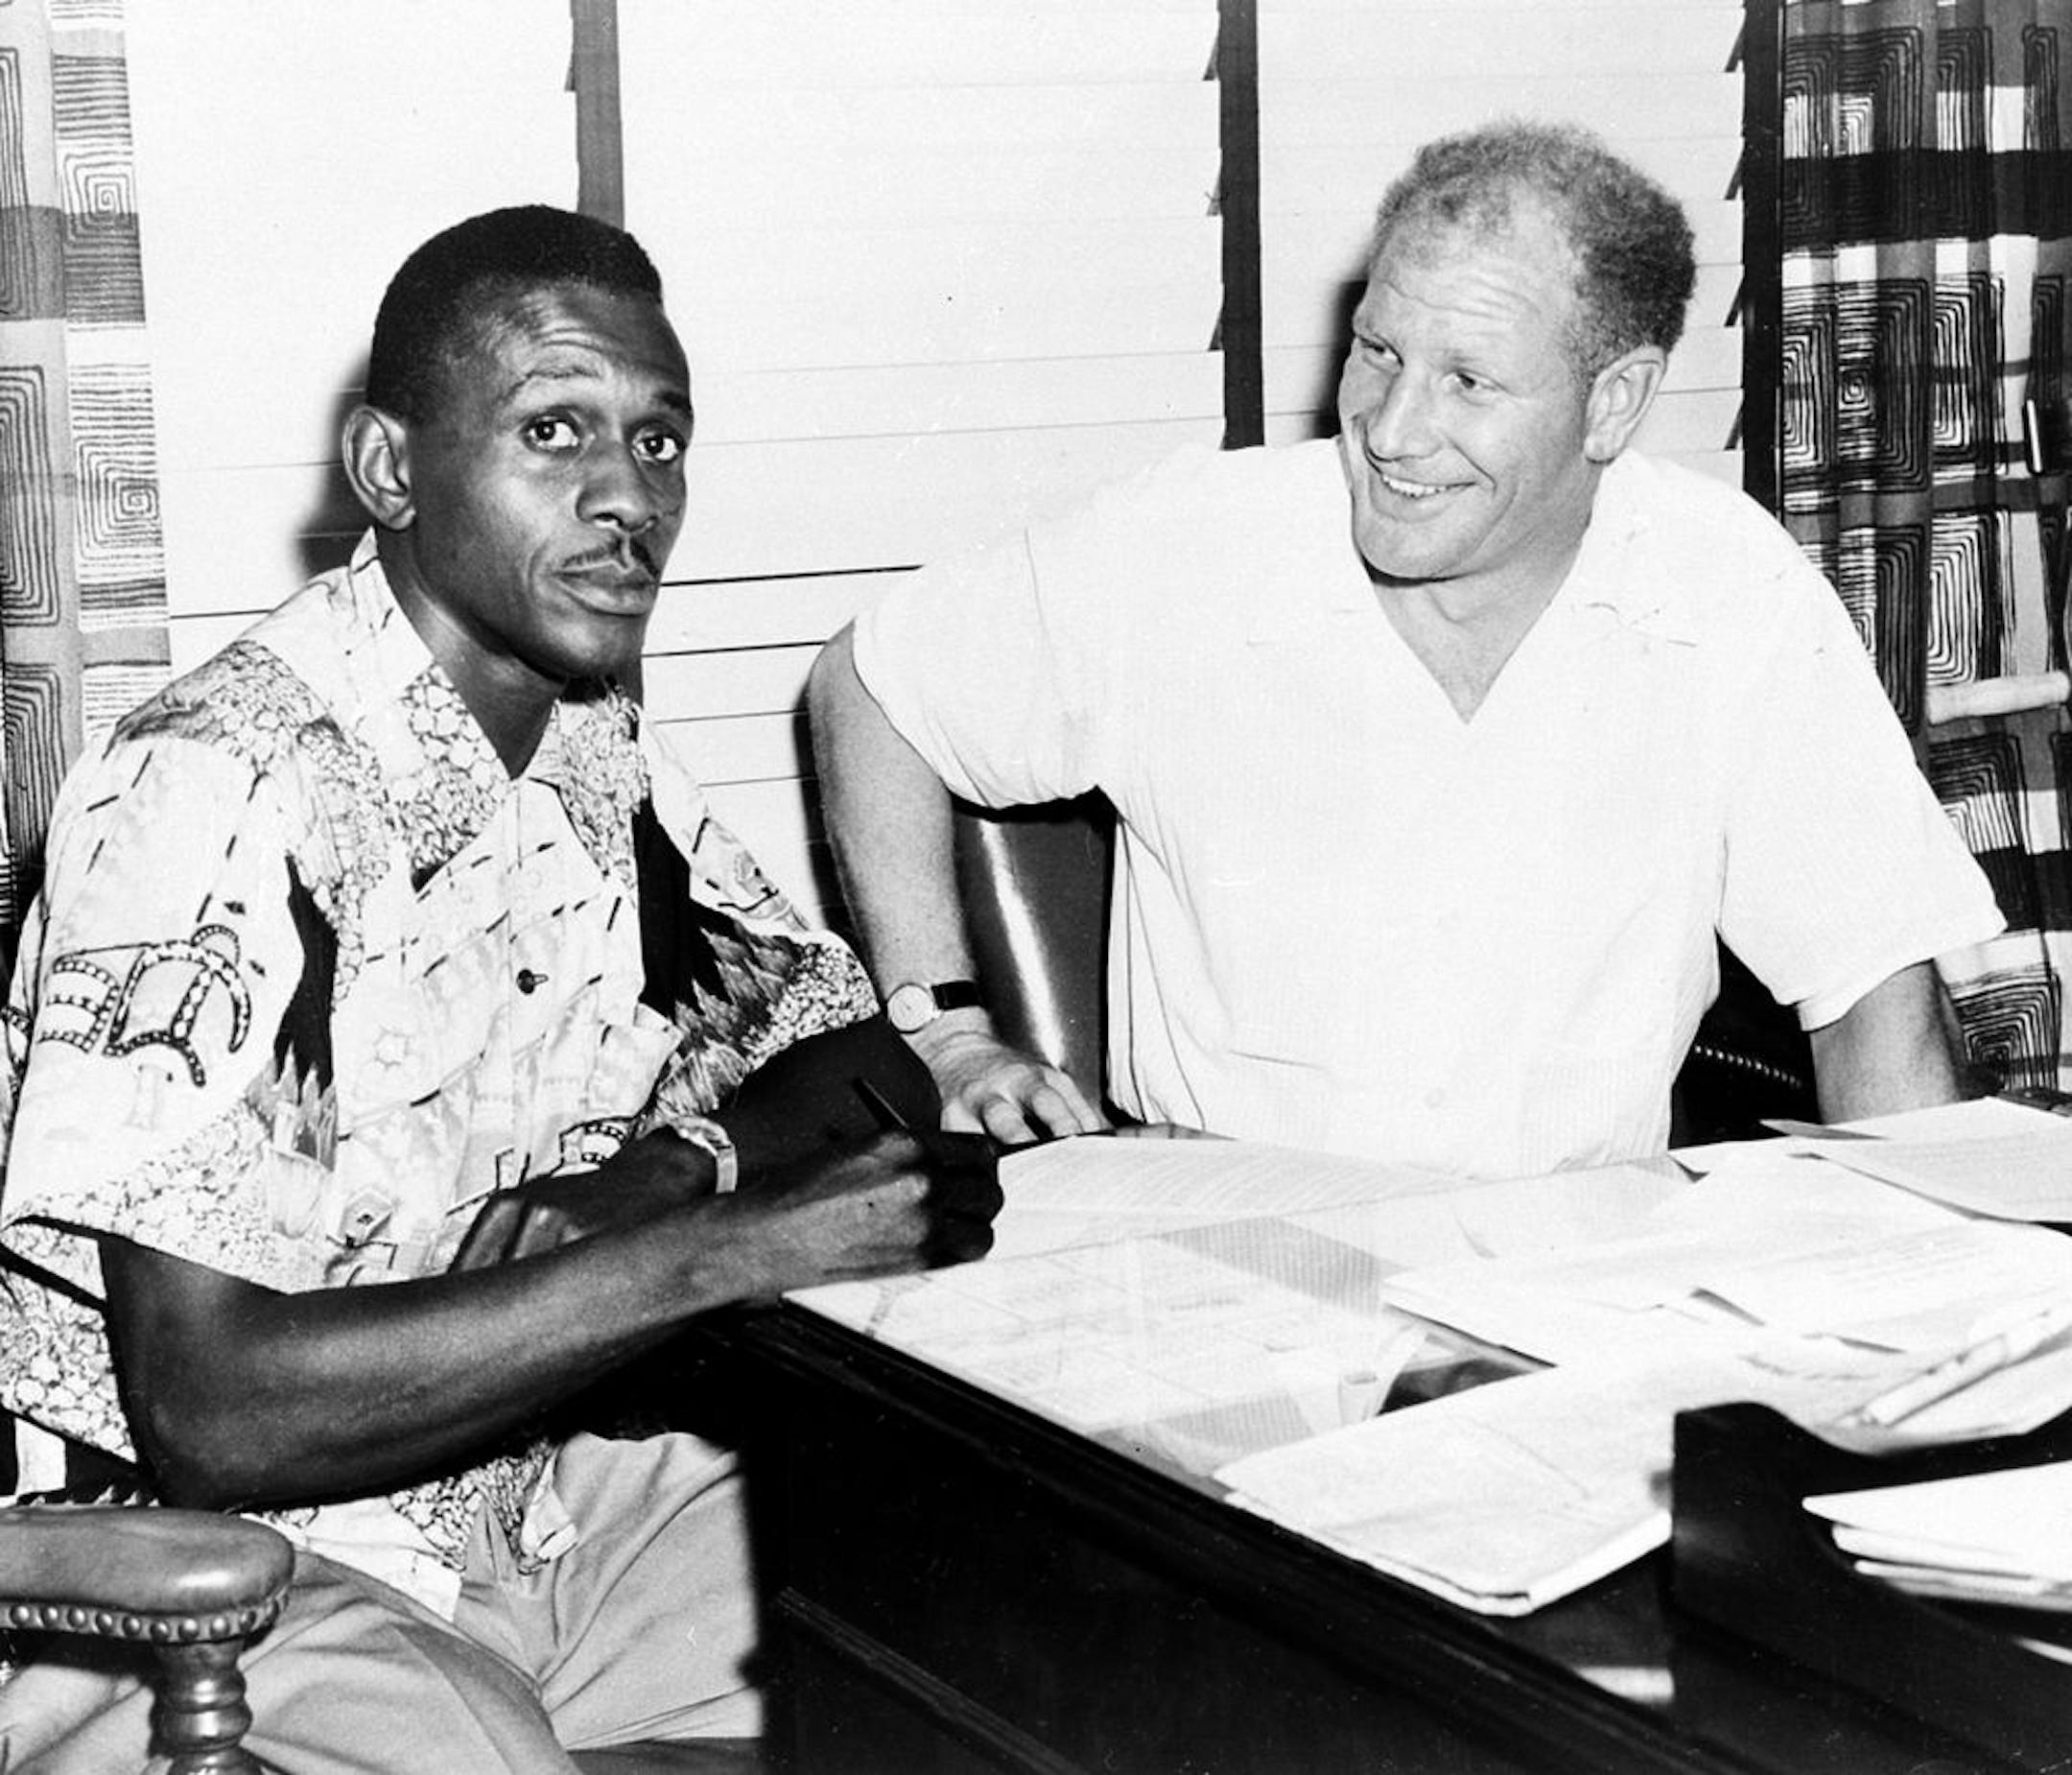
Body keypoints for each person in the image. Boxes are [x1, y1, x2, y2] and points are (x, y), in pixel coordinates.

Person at [0, 205, 1000, 1772]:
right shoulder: (218, 786)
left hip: (497, 1508)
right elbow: (213, 1406)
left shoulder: (591, 758)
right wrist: (716, 1252)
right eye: (556, 433)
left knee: (976, 1609)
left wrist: (668, 1172)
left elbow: (858, 1059)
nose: (628, 499)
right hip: (172, 1574)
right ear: (393, 470)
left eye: (659, 442)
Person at [807, 120, 2005, 1177]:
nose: (1389, 430)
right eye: (1378, 351)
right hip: (1220, 1255)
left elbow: (1872, 994)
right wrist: (946, 1027)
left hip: (1573, 1271)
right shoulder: (1184, 547)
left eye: (1468, 379)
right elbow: (872, 683)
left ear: (1613, 403)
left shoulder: (1727, 594)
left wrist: (1919, 1324)